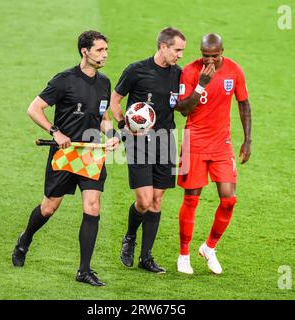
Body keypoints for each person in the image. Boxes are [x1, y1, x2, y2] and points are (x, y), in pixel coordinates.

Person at [11, 30, 119, 287]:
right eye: (100, 50)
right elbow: (34, 108)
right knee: (49, 208)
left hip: (92, 154)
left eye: (106, 49)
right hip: (66, 154)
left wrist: (112, 134)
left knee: (92, 206)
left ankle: (84, 270)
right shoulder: (65, 80)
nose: (105, 54)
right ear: (85, 51)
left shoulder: (105, 83)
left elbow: (104, 118)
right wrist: (55, 132)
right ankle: (25, 239)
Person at [110, 27, 186, 273]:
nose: (180, 55)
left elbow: (184, 106)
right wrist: (124, 125)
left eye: (182, 51)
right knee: (143, 201)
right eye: (177, 50)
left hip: (166, 140)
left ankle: (146, 257)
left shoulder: (179, 74)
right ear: (163, 46)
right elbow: (114, 100)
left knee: (157, 201)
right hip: (138, 142)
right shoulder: (136, 70)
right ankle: (130, 237)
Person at [174, 33, 252, 275]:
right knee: (191, 199)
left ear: (222, 52)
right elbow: (183, 109)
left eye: (214, 56)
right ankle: (184, 255)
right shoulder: (189, 71)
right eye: (205, 56)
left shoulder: (234, 70)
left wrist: (248, 139)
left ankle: (209, 247)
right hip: (194, 142)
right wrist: (201, 85)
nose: (209, 61)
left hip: (222, 144)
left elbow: (243, 104)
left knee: (229, 199)